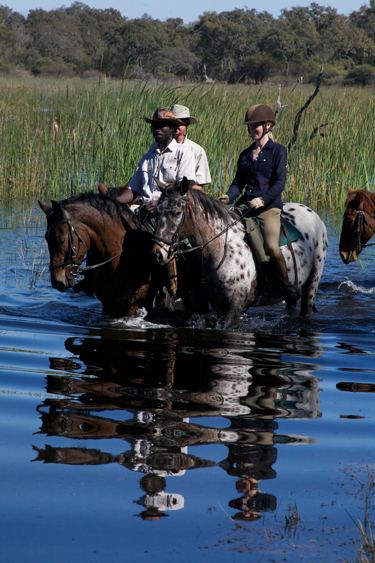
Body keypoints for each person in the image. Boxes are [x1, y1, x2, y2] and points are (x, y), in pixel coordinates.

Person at [219, 104, 301, 306]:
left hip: (269, 208)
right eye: (250, 125)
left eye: (256, 125)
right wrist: (228, 197)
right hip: (245, 206)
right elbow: (238, 184)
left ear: (268, 126)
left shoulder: (278, 151)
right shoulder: (245, 155)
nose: (251, 129)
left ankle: (286, 285)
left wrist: (263, 199)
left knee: (272, 247)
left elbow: (279, 183)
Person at [116, 108, 196, 211]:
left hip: (168, 212)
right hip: (144, 209)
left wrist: (159, 202)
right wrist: (111, 202)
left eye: (162, 126)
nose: (157, 129)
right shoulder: (147, 158)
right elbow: (133, 190)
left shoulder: (183, 153)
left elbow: (182, 190)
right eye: (154, 126)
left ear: (172, 128)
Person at [169, 104, 211, 190]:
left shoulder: (197, 150)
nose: (176, 125)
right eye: (173, 122)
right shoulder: (159, 147)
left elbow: (199, 185)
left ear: (187, 123)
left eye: (180, 122)